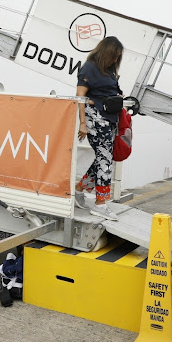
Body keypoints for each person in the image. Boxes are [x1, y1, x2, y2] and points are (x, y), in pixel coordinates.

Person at [74, 36, 124, 221]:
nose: (115, 60)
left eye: (117, 58)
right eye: (113, 56)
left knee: (104, 159)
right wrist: (82, 124)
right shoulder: (89, 68)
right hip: (96, 120)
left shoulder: (108, 71)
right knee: (105, 161)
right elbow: (80, 97)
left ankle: (80, 189)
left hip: (109, 119)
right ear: (106, 52)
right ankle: (100, 203)